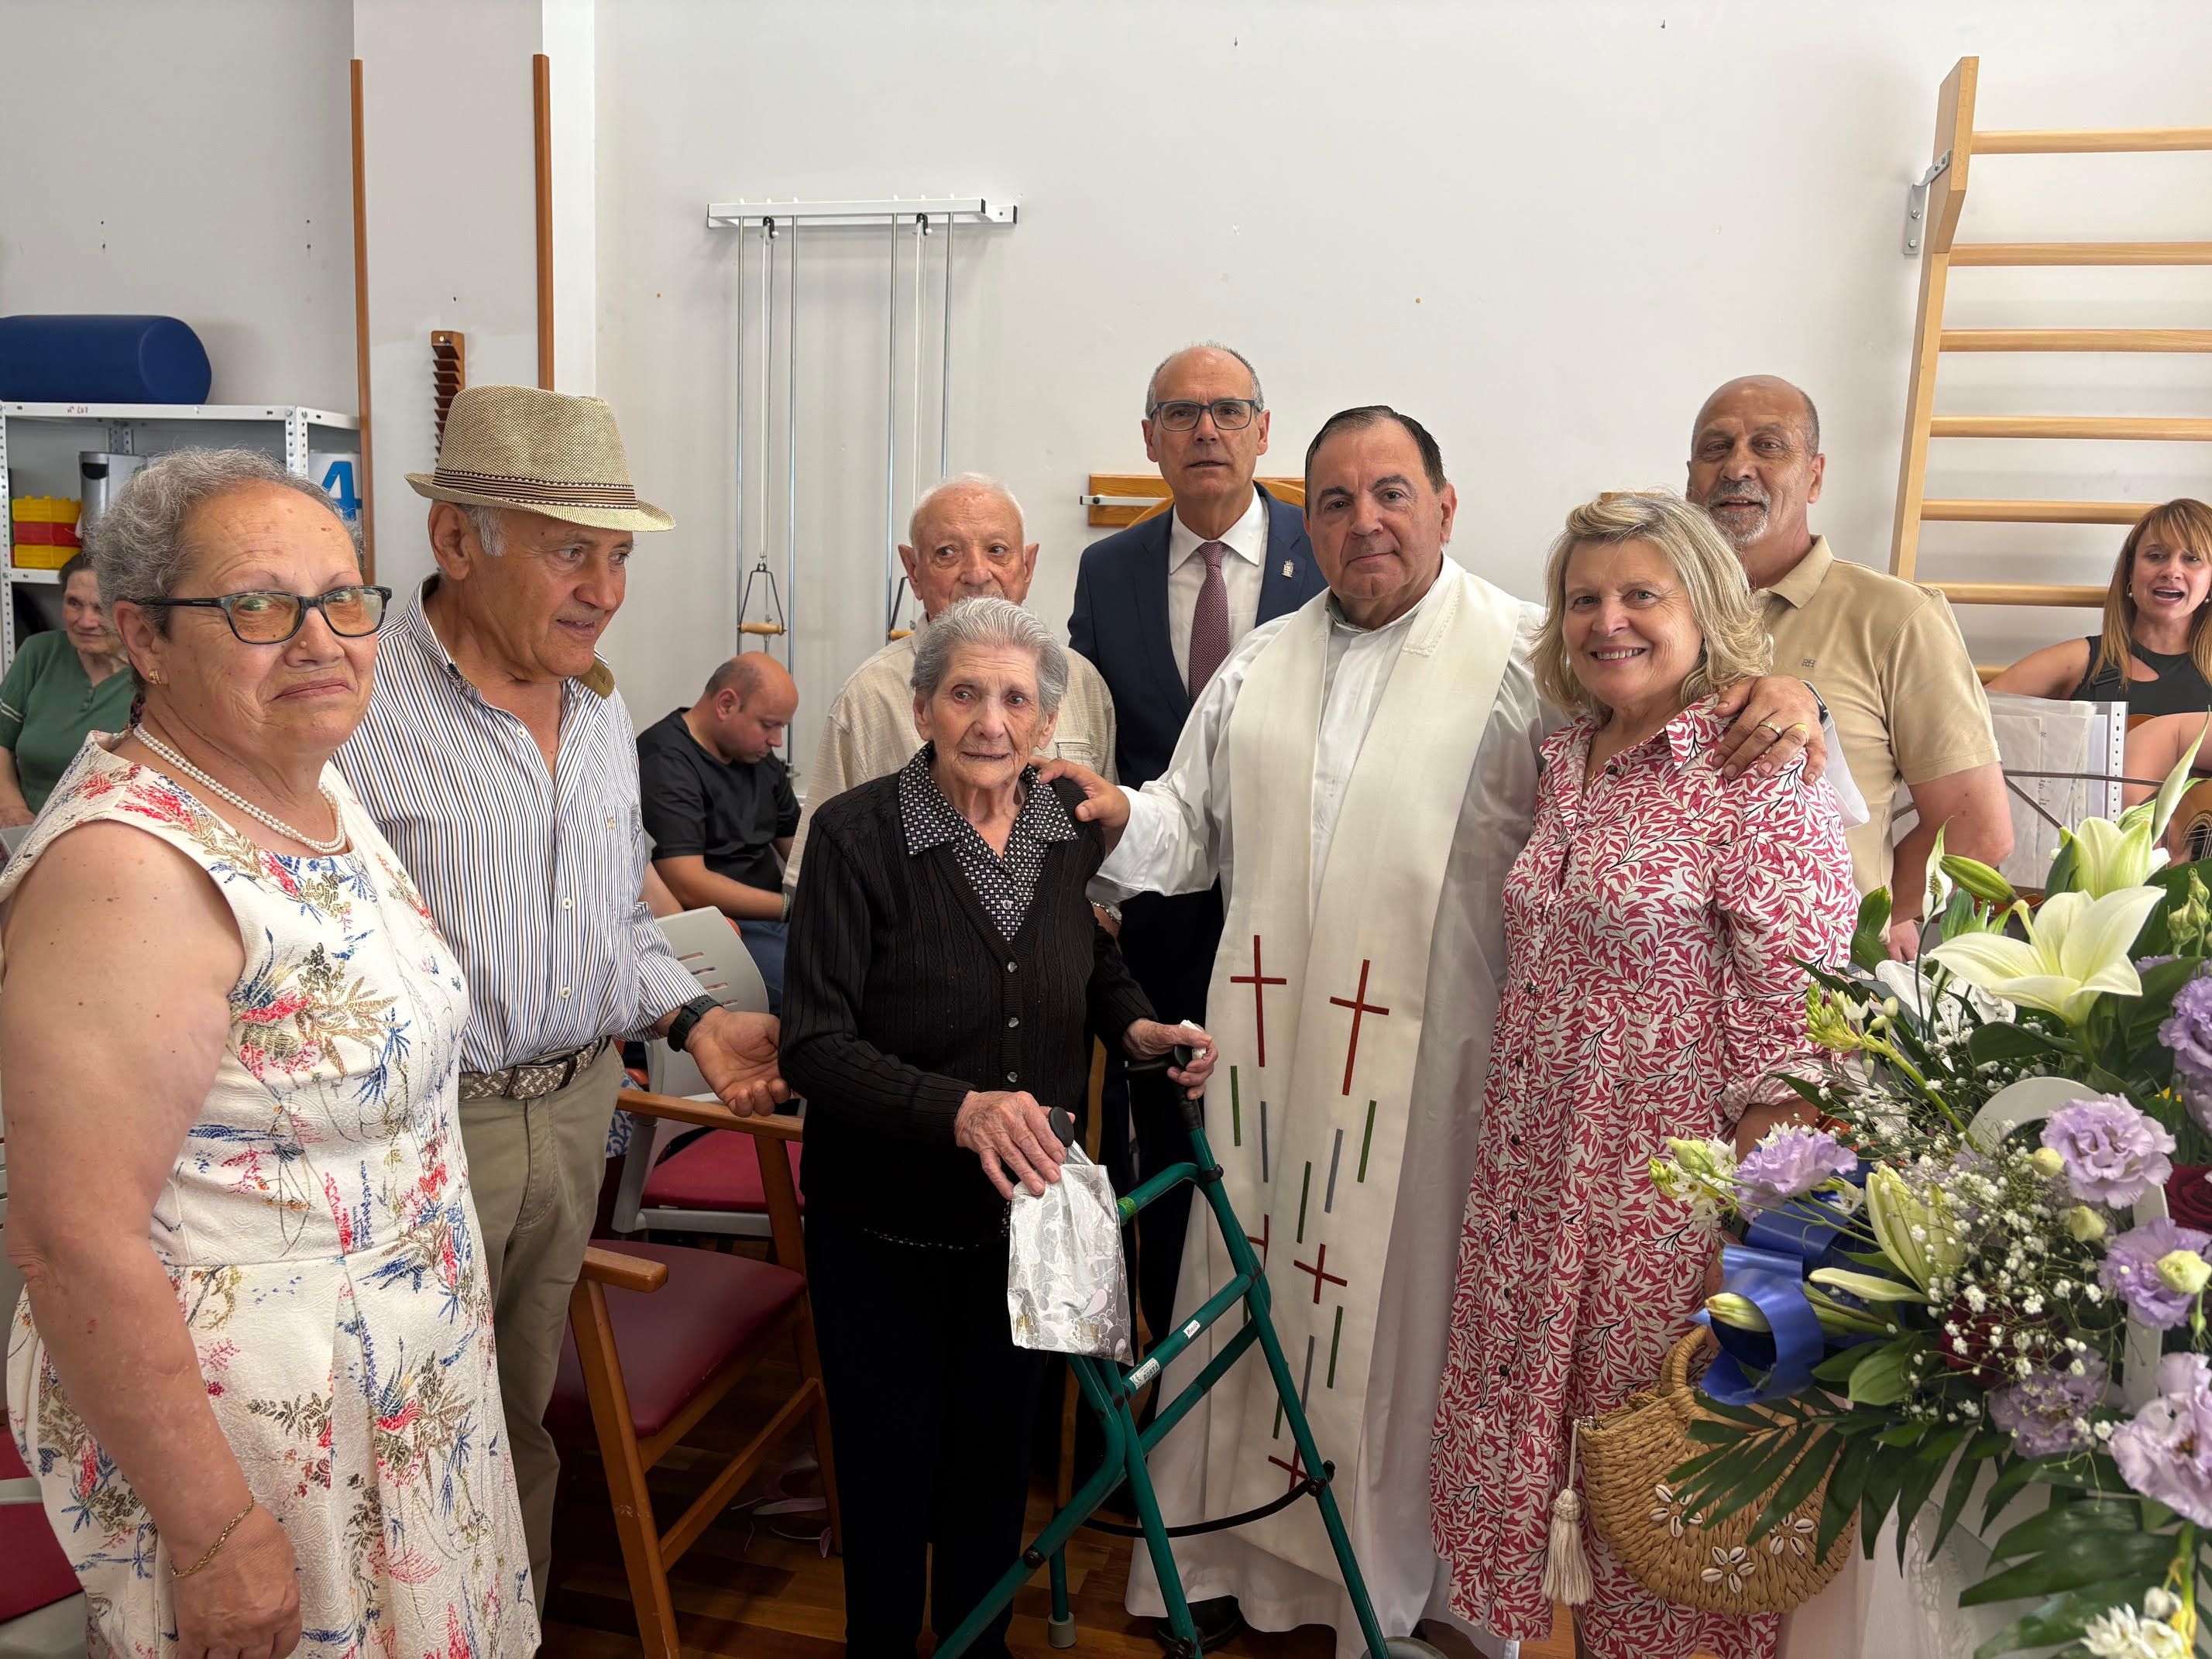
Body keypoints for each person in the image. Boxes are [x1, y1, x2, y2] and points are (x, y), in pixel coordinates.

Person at [1046, 407, 1830, 1657]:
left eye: (1393, 494)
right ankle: (1225, 1558)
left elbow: (1685, 730)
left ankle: (1398, 1585)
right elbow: (1185, 831)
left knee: (1409, 1332)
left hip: (1439, 1076)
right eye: (1340, 500)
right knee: (1245, 1293)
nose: (1367, 522)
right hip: (1269, 1065)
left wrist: (1786, 692)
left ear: (1445, 506)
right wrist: (1111, 811)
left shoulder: (1534, 655)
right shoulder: (1259, 663)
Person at [1, 448, 534, 1657]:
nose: (321, 640)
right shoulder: (130, 871)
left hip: (400, 1399)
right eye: (258, 606)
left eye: (345, 599)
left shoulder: (315, 786)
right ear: (142, 635)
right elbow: (71, 1238)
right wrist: (213, 1535)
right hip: (259, 1447)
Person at [337, 384, 787, 1607]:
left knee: (516, 1413)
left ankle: (510, 1626)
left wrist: (699, 1017)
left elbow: (607, 933)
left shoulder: (596, 712)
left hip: (583, 1107)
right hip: (428, 1132)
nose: (604, 587)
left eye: (619, 555)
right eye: (568, 551)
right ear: (454, 542)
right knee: (406, 1435)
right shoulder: (351, 709)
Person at [1429, 490, 1856, 1659]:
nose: (1607, 620)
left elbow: (1802, 1030)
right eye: (1584, 598)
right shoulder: (1565, 758)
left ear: (1704, 608)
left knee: (1670, 1494)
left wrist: (1760, 1251)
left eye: (1640, 596)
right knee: (1558, 1478)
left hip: (1667, 1203)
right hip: (1534, 1181)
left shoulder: (1754, 767)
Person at [779, 596, 1214, 1659]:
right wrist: (958, 1109)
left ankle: (978, 1644)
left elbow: (1091, 958)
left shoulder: (1060, 826)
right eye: (966, 692)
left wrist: (1141, 1024)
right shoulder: (855, 835)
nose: (990, 719)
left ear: (1044, 720)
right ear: (922, 704)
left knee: (991, 1460)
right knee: (891, 1469)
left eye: (1015, 697)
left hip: (1027, 1223)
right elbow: (813, 1045)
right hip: (882, 1223)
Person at [1070, 342, 1328, 1341]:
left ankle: (1284, 1371)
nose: (1207, 431)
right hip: (1161, 931)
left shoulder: (1333, 551)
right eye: (1181, 414)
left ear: (1266, 430)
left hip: (1298, 921)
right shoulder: (1110, 568)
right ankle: (1175, 1377)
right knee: (1168, 1158)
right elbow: (1091, 736)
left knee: (1291, 1154)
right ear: (1150, 441)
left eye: (1229, 411)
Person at [1685, 374, 2010, 956]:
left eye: (1769, 445)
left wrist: (1869, 920)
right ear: (1691, 478)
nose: (1737, 466)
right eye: (1717, 448)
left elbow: (1976, 830)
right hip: (1659, 991)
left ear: (1814, 476)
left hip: (1821, 995)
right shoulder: (1647, 617)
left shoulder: (1896, 617)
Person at [783, 472, 1117, 891]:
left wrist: (1104, 915)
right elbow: (815, 883)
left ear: (1027, 567)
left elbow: (1107, 841)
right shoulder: (867, 696)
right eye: (947, 553)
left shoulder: (1081, 680)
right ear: (913, 569)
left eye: (997, 551)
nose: (977, 574)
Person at [637, 651, 801, 1008]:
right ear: (726, 704)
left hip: (773, 917)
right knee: (804, 990)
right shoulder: (665, 761)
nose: (776, 741)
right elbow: (686, 882)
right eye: (768, 725)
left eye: (781, 728)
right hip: (715, 929)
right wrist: (791, 907)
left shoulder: (755, 756)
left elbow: (800, 847)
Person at [1988, 498, 2212, 714]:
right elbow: (1970, 717)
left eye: (2192, 558)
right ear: (2130, 573)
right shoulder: (2079, 661)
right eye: (2156, 556)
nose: (2171, 571)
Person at [0, 551, 136, 822]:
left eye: (100, 608)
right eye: (74, 603)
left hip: (110, 839)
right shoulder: (40, 652)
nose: (85, 621)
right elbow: (2, 740)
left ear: (128, 613)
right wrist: (11, 809)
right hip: (25, 829)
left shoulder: (152, 675)